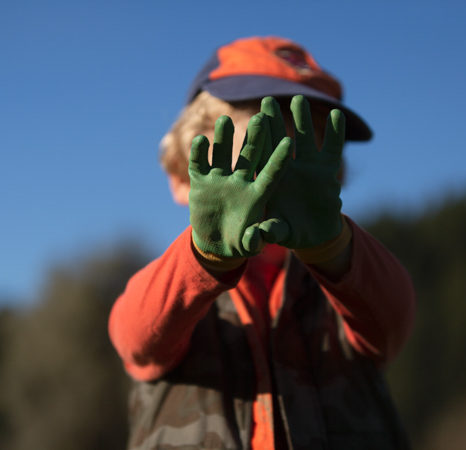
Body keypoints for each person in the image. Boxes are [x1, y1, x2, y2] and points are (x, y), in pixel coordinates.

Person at [108, 36, 416, 449]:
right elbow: (134, 335)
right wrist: (206, 255)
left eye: (315, 134)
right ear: (184, 173)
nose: (290, 152)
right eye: (265, 130)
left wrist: (332, 247)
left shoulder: (345, 288)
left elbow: (394, 318)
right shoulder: (178, 293)